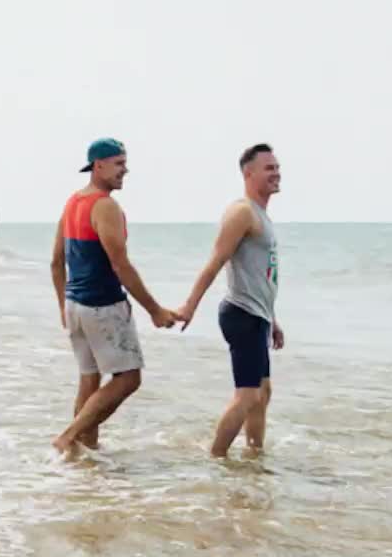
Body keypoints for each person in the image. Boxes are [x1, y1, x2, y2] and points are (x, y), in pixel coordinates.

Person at [51, 137, 176, 455]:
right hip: (102, 306)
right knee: (128, 379)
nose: (125, 170)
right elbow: (120, 265)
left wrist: (63, 306)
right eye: (119, 163)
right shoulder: (105, 206)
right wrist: (155, 310)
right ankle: (69, 436)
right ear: (98, 165)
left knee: (89, 380)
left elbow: (56, 262)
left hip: (76, 306)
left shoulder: (72, 202)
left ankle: (83, 454)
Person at [175, 143, 284, 457]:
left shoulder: (262, 215)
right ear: (249, 174)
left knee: (262, 392)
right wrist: (190, 306)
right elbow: (216, 261)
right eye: (269, 168)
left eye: (277, 167)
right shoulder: (242, 212)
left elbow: (262, 274)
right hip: (242, 313)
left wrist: (273, 319)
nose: (276, 173)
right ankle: (216, 457)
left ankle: (254, 455)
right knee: (247, 395)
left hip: (258, 315)